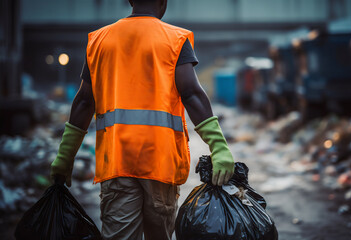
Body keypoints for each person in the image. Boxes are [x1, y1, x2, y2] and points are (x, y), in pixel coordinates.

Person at [50, 0, 235, 239]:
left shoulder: (99, 40)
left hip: (117, 164)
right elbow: (191, 93)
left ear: (129, 0)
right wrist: (218, 147)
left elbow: (85, 101)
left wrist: (65, 157)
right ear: (163, 2)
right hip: (160, 164)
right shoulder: (175, 39)